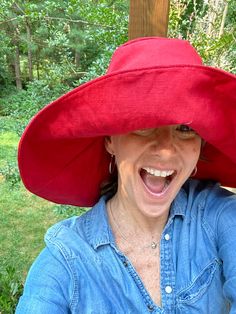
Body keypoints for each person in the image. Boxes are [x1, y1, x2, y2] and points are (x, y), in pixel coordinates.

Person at [16, 37, 236, 313]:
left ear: (200, 147)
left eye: (184, 128)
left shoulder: (217, 215)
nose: (166, 150)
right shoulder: (67, 261)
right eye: (144, 125)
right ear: (110, 140)